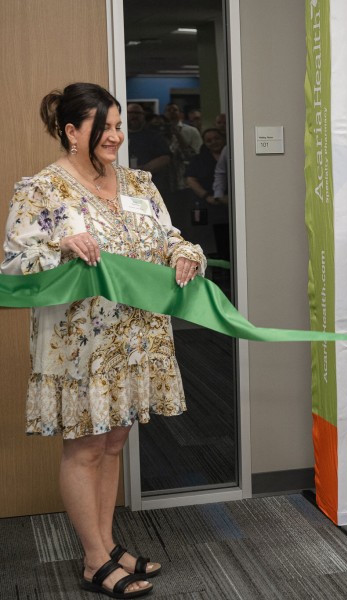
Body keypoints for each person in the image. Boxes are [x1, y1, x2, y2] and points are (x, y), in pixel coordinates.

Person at [2, 83, 205, 598]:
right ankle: (94, 559)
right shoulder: (43, 190)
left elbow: (170, 236)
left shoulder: (139, 183)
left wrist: (186, 254)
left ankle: (108, 542)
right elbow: (13, 267)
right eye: (104, 128)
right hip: (80, 345)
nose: (115, 136)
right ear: (72, 132)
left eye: (119, 127)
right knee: (86, 445)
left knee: (114, 441)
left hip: (135, 335)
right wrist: (61, 244)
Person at [186, 128, 230, 258]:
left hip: (229, 205)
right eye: (209, 141)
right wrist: (207, 196)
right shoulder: (199, 159)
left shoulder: (232, 152)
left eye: (217, 138)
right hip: (208, 204)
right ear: (204, 143)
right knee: (212, 245)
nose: (214, 142)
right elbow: (190, 179)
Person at [125, 103, 172, 188]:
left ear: (143, 116)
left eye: (138, 113)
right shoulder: (119, 135)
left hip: (150, 185)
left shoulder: (154, 136)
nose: (134, 116)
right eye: (131, 112)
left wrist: (141, 170)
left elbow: (165, 158)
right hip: (123, 183)